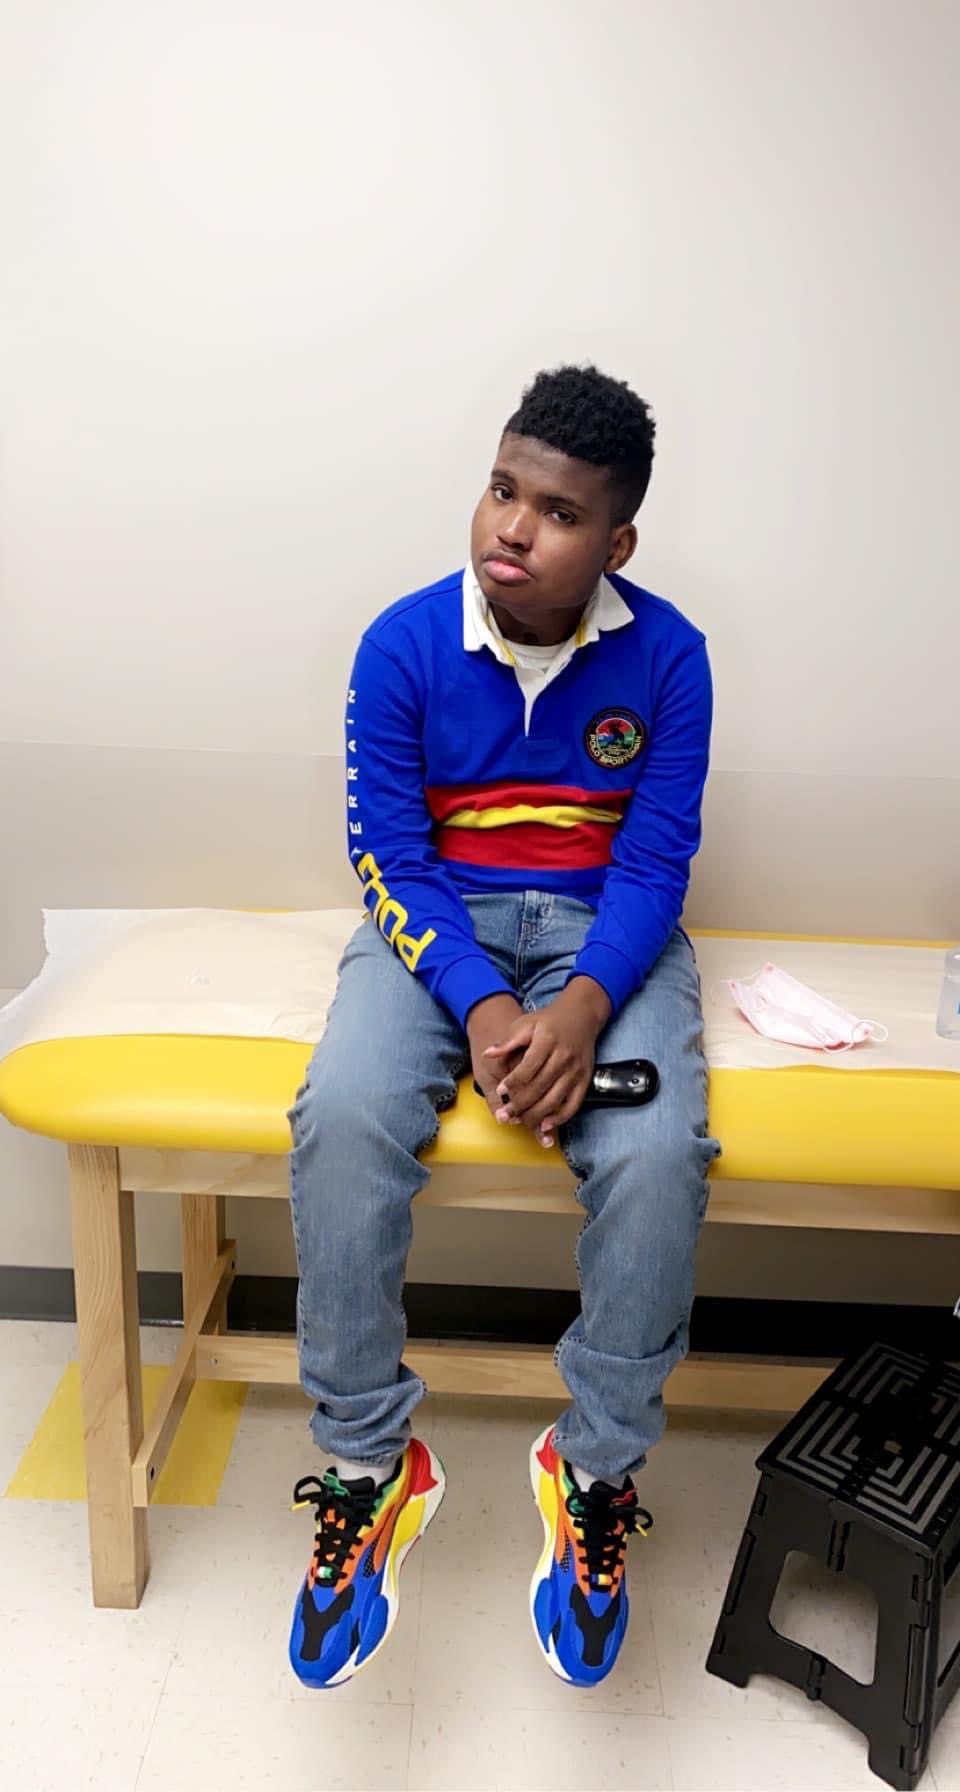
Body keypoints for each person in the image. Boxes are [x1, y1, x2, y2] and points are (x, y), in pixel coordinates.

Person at [287, 363, 718, 1692]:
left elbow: (656, 860)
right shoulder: (401, 644)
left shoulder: (673, 656)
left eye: (559, 513)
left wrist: (582, 1010)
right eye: (501, 490)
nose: (513, 530)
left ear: (617, 544)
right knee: (342, 1116)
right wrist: (481, 1005)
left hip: (605, 933)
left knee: (658, 1155)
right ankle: (370, 1461)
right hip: (440, 920)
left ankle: (593, 1470)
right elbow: (388, 852)